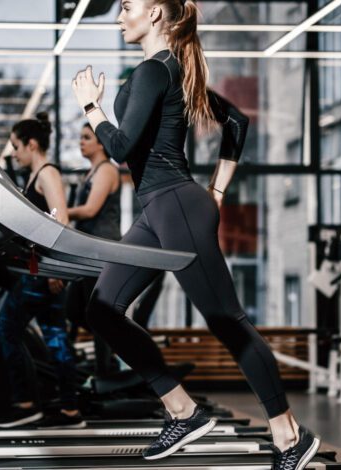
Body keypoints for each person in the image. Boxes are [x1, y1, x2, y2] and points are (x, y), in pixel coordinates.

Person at [70, 0, 320, 468]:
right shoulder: (170, 70)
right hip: (159, 209)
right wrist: (216, 191)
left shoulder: (156, 71)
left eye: (127, 7)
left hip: (176, 206)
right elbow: (236, 122)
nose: (120, 16)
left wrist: (91, 105)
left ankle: (289, 435)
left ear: (157, 14)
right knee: (102, 310)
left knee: (226, 319)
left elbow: (121, 148)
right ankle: (181, 409)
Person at [0, 112, 81, 428]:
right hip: (41, 270)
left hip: (42, 271)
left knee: (6, 327)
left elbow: (61, 221)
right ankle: (70, 410)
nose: (14, 152)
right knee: (56, 337)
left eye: (17, 146)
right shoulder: (35, 175)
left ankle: (26, 403)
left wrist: (56, 268)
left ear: (32, 144)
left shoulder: (47, 174)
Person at [65, 123, 122, 375]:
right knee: (73, 309)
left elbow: (90, 210)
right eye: (80, 137)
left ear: (101, 144)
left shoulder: (107, 170)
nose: (81, 142)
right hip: (87, 251)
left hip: (102, 251)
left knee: (97, 314)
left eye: (87, 138)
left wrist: (58, 212)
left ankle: (105, 370)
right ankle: (113, 345)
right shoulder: (91, 173)